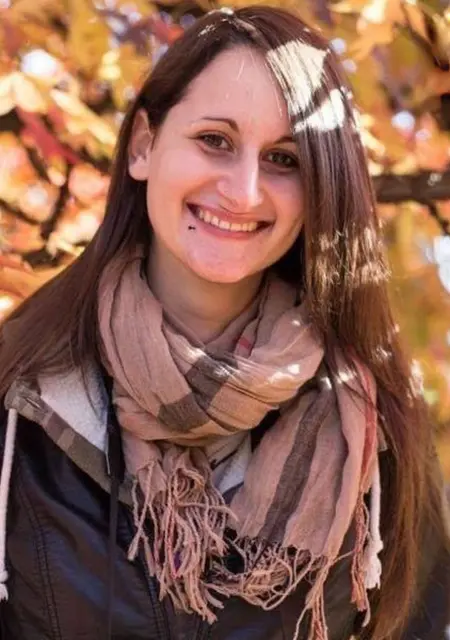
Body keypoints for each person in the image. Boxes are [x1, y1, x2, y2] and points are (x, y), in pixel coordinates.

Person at [0, 6, 448, 640]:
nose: (243, 192)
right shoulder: (19, 392)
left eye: (284, 159)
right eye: (215, 140)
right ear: (144, 146)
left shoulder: (375, 427)